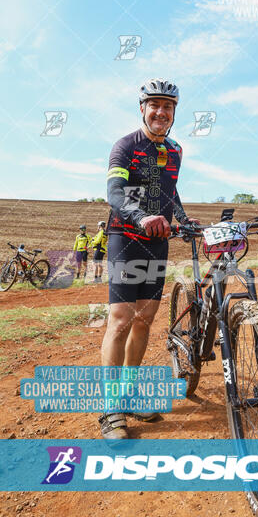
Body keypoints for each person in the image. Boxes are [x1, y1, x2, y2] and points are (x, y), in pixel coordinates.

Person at [99, 78, 199, 440]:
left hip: (158, 241)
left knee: (144, 320)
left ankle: (127, 395)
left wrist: (185, 221)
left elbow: (170, 192)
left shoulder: (175, 150)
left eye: (168, 106)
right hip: (125, 238)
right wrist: (140, 217)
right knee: (122, 320)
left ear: (174, 112)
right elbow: (114, 192)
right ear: (142, 108)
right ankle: (110, 409)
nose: (161, 112)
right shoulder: (125, 146)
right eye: (154, 105)